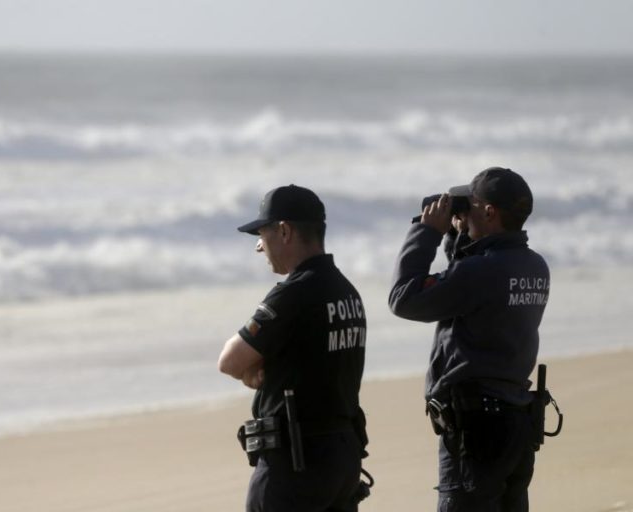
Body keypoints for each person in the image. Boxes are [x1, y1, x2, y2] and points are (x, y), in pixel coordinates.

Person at [389, 167, 550, 512]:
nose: (463, 212)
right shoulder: (534, 266)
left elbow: (404, 299)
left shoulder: (481, 272)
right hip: (515, 423)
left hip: (477, 432)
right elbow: (465, 286)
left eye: (471, 205)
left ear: (489, 212)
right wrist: (458, 235)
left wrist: (426, 233)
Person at [218, 184, 370, 512]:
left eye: (262, 233)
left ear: (284, 231)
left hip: (297, 464)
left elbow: (229, 361)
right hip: (342, 457)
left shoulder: (294, 294)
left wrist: (257, 370)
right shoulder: (347, 293)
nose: (259, 247)